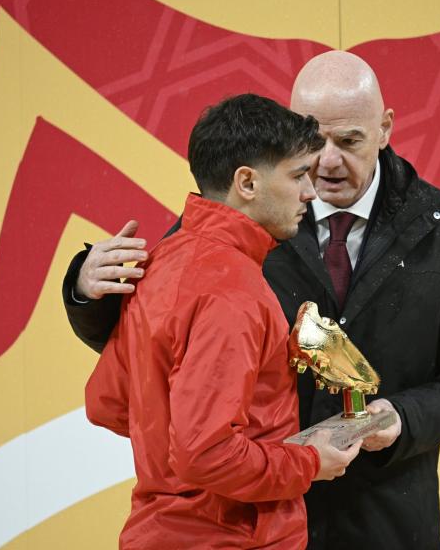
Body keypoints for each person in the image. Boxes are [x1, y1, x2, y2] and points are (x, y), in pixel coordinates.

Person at [66, 52, 440, 549]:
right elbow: (155, 342)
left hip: (384, 520)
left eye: (349, 141)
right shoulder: (226, 238)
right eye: (314, 141)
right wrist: (85, 291)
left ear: (384, 129)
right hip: (254, 517)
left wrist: (402, 418)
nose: (327, 162)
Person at [84, 93, 362, 549]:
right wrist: (309, 461)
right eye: (297, 175)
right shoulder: (233, 291)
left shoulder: (163, 259)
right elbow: (204, 454)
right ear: (247, 182)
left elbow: (107, 403)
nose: (310, 193)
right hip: (233, 538)